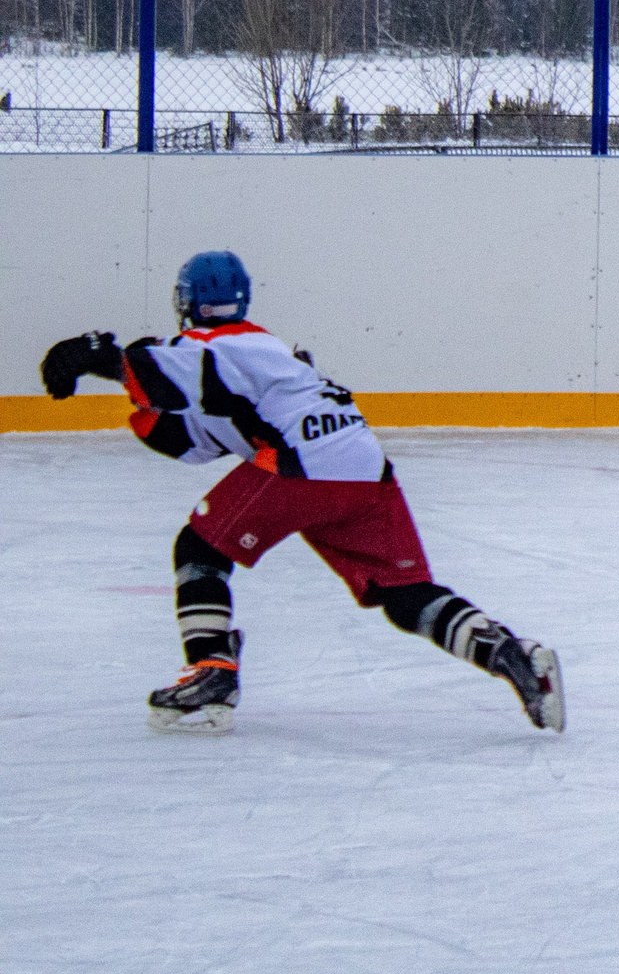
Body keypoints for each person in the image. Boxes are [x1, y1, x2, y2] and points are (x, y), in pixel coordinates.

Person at [40, 250, 564, 734]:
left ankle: (211, 669)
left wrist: (98, 357)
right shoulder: (265, 353)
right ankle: (509, 652)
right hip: (364, 470)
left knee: (199, 548)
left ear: (185, 300)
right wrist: (132, 391)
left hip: (303, 465)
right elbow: (192, 437)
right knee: (404, 595)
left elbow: (164, 373)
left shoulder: (221, 345)